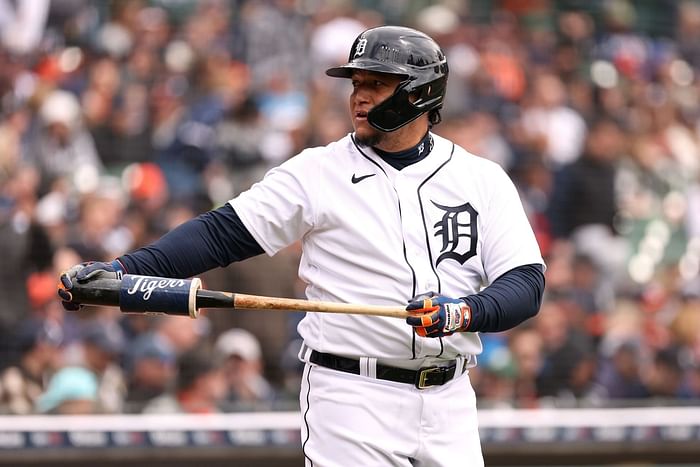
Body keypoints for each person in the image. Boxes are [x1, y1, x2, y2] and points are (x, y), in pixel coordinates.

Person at [59, 26, 545, 466]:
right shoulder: (316, 171)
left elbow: (526, 283)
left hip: (451, 399)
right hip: (353, 396)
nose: (358, 96)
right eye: (355, 85)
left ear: (419, 94)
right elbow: (218, 234)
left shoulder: (481, 179)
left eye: (375, 84)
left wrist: (465, 311)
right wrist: (123, 270)